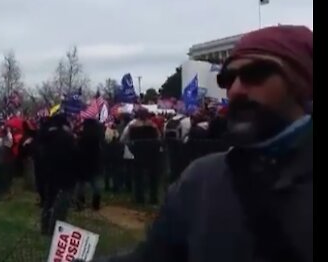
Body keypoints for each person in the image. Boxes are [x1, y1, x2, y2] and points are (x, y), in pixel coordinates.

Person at [84, 25, 313, 262]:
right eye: (227, 79)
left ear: (302, 84)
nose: (234, 90)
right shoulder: (200, 180)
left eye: (254, 75)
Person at [40, 114, 78, 235]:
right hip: (65, 174)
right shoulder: (67, 137)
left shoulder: (46, 136)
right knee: (61, 205)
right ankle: (55, 230)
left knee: (49, 202)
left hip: (49, 172)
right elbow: (74, 154)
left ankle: (45, 227)